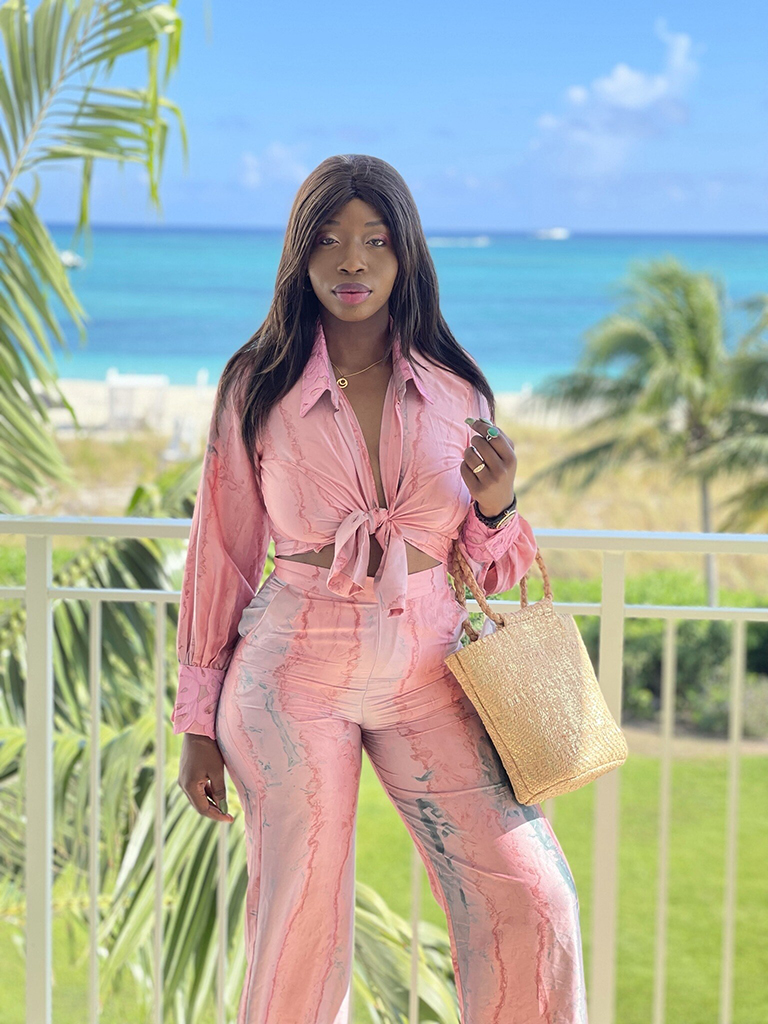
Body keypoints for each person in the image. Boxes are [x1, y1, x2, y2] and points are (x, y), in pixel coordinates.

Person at [171, 153, 588, 1024]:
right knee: (299, 928)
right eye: (327, 240)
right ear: (300, 255)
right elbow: (222, 556)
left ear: (406, 256)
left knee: (534, 897)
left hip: (433, 669)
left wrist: (500, 504)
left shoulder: (456, 389)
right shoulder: (256, 387)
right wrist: (195, 721)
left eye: (373, 240)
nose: (351, 261)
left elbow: (487, 566)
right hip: (292, 672)